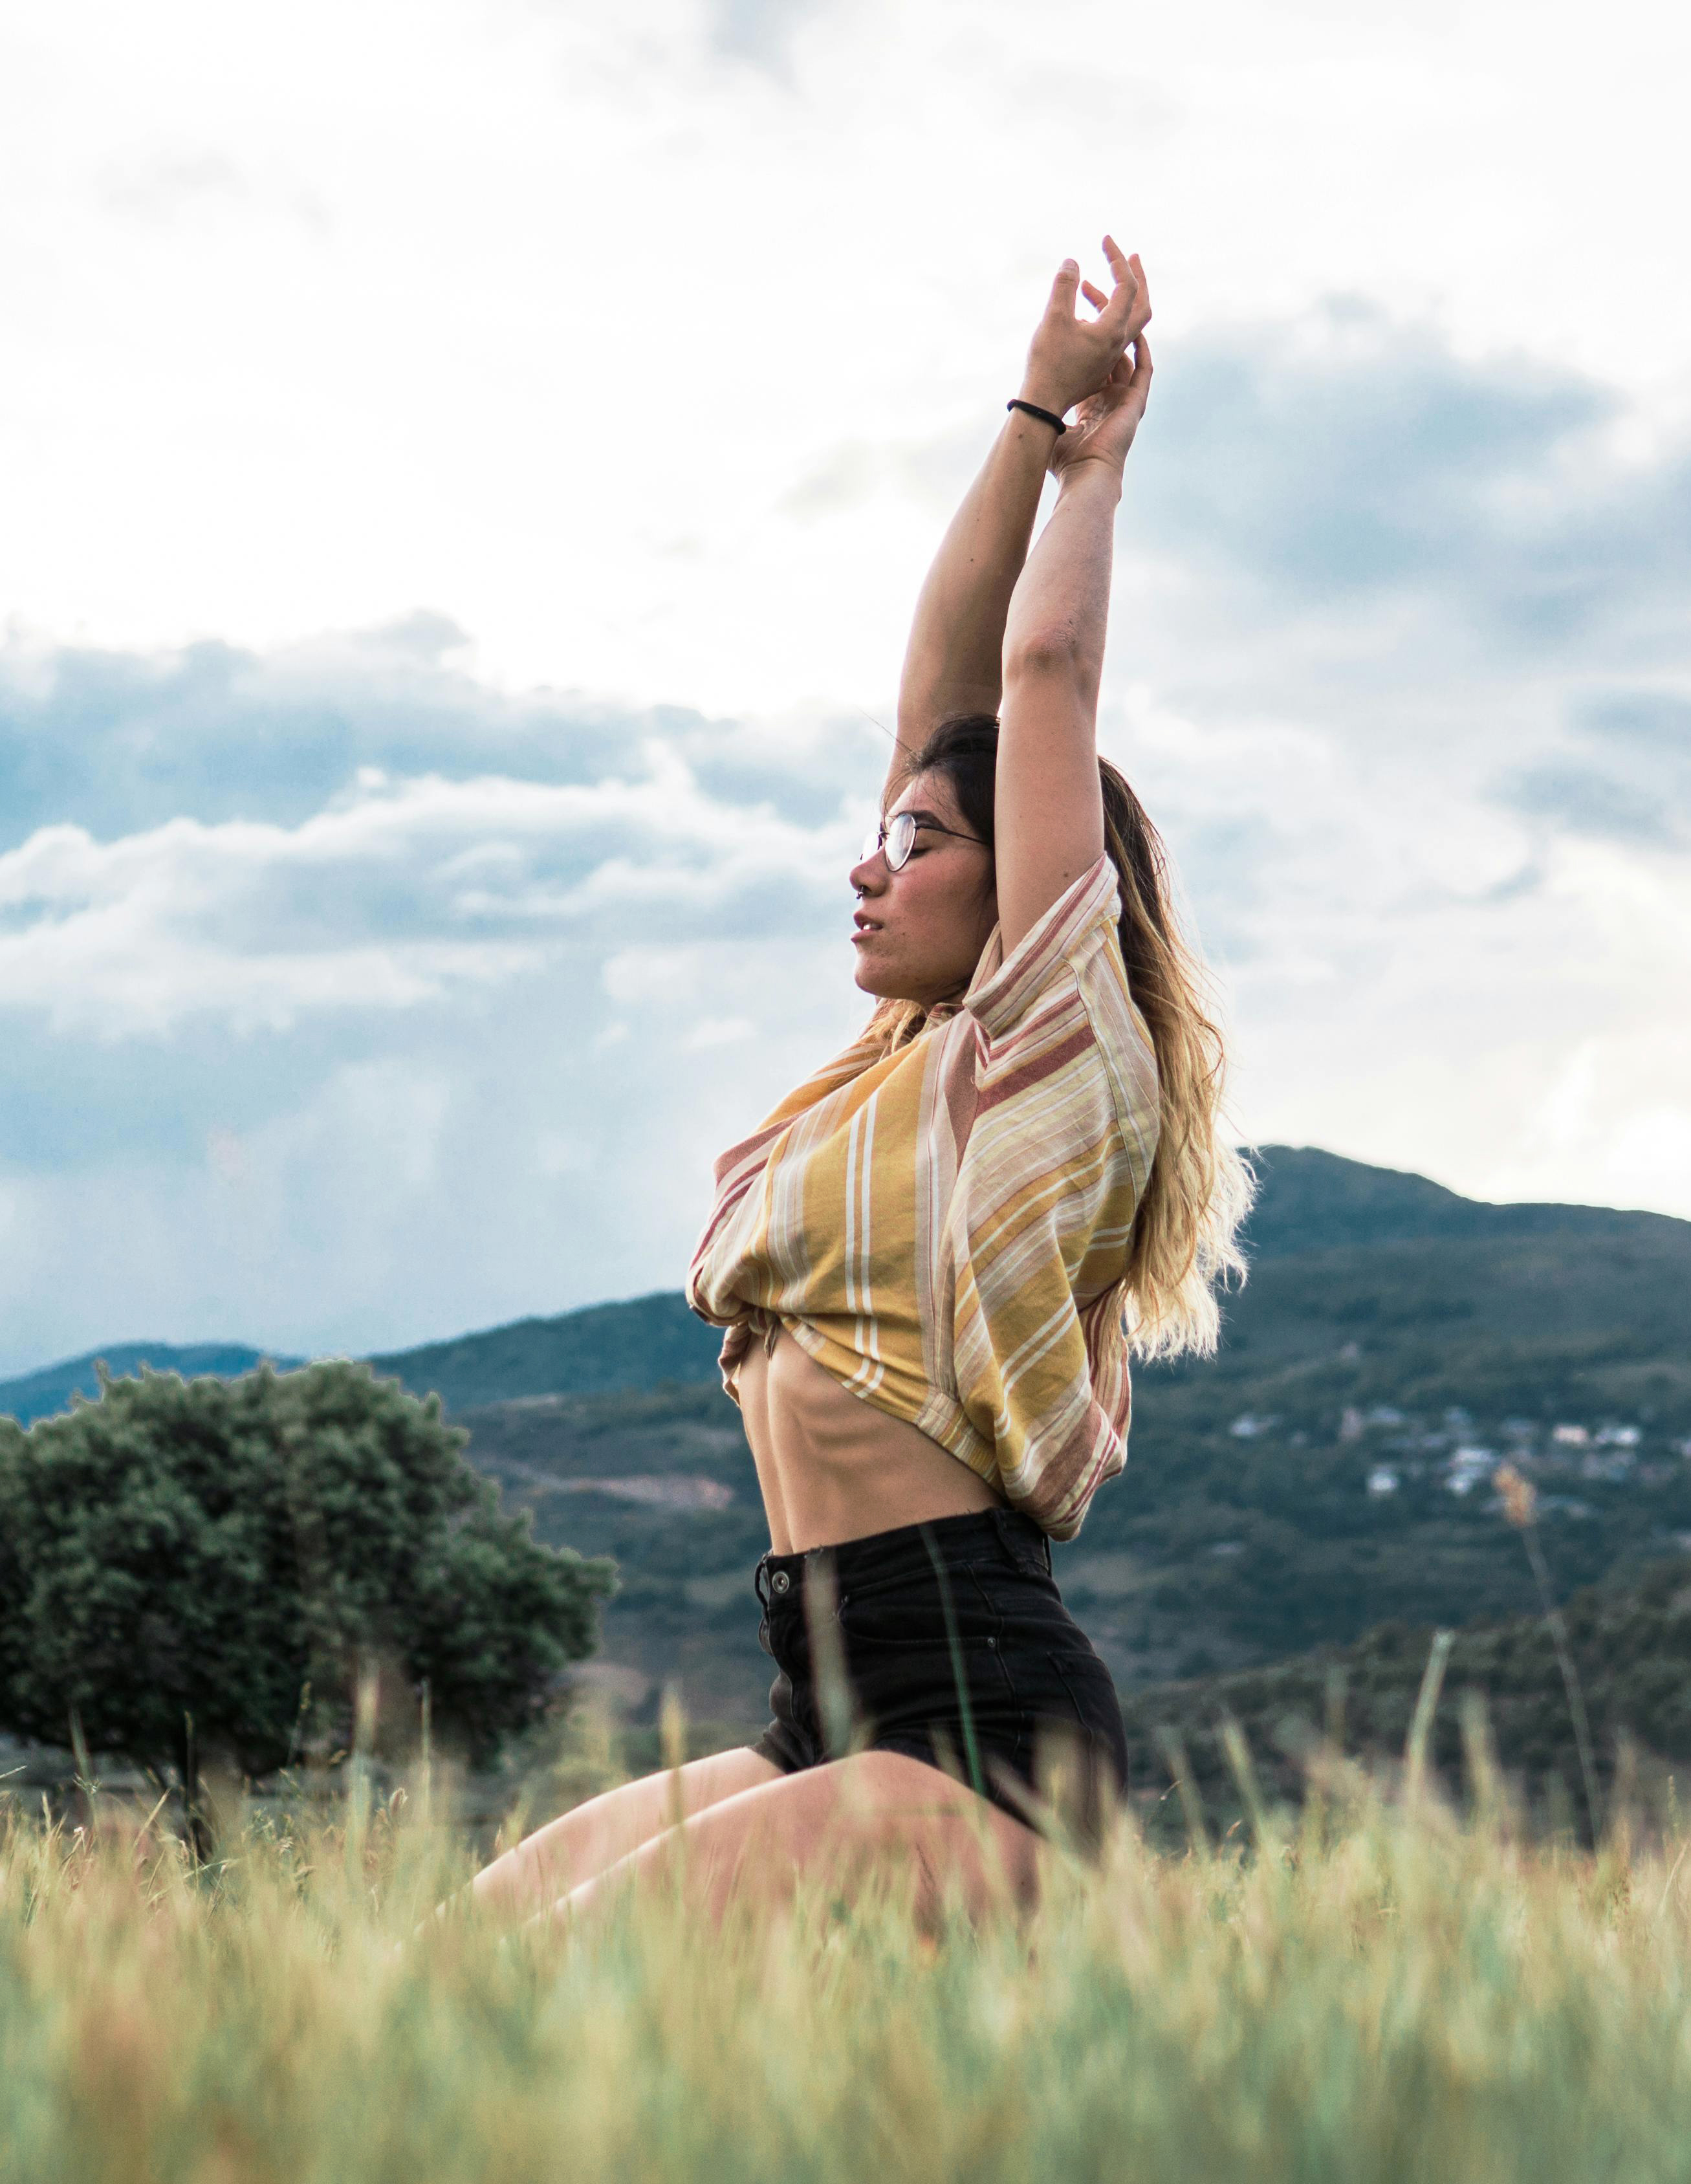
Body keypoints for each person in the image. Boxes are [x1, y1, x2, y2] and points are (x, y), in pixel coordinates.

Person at [470, 237, 1250, 1922]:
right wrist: (1028, 411)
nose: (867, 865)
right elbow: (945, 695)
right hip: (819, 1702)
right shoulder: (894, 1069)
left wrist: (1093, 474)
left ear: (1025, 890)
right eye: (876, 837)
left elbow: (1034, 682)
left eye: (915, 843)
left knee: (561, 1983)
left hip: (977, 1727)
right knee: (458, 1963)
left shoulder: (1033, 1058)